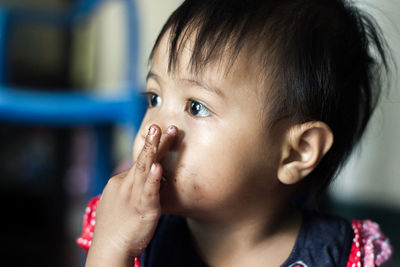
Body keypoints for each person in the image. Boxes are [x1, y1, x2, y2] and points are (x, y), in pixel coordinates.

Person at [77, 0, 394, 266]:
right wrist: (111, 248)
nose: (155, 129)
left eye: (197, 107)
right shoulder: (135, 236)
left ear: (297, 151)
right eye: (154, 98)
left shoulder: (338, 254)